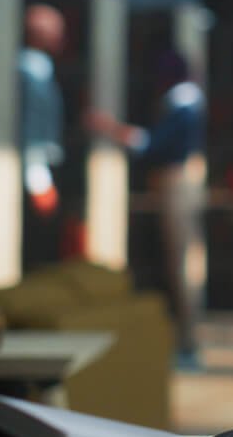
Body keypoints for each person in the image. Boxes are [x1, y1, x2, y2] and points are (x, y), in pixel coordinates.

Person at [88, 49, 207, 368]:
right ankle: (186, 341)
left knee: (182, 264)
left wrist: (110, 128)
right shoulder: (186, 103)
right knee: (179, 262)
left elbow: (151, 145)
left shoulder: (184, 105)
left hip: (178, 184)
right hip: (176, 183)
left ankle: (188, 343)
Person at [18, 4, 67, 219]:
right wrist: (39, 179)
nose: (62, 37)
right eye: (57, 31)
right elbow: (33, 124)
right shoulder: (32, 70)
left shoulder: (41, 68)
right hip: (31, 164)